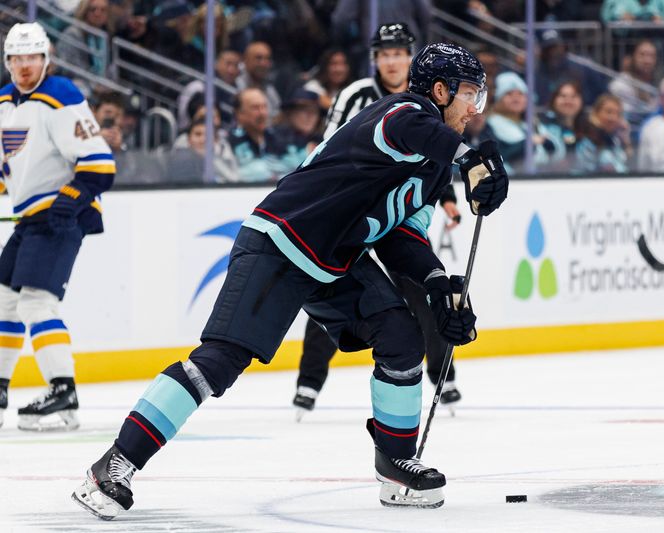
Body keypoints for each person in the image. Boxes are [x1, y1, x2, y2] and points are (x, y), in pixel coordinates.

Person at [72, 42, 507, 517]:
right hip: (279, 243)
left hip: (334, 259)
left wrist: (438, 284)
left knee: (402, 336)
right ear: (441, 91)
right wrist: (470, 158)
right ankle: (113, 463)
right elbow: (409, 127)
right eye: (470, 95)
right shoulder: (403, 112)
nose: (475, 109)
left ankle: (394, 461)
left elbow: (401, 235)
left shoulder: (434, 163)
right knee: (219, 362)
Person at [293, 23, 465, 419]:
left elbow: (439, 155)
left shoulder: (430, 98)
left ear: (410, 57)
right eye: (385, 54)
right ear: (375, 59)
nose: (392, 61)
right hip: (353, 209)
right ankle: (309, 382)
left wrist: (450, 199)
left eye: (399, 53)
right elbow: (331, 146)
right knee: (330, 282)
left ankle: (444, 375)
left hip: (400, 210)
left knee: (421, 287)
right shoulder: (356, 94)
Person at [0, 23, 115, 430]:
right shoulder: (4, 101)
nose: (24, 66)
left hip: (59, 216)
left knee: (35, 302)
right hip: (31, 218)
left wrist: (70, 200)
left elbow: (100, 164)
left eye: (31, 57)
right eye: (16, 58)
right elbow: (10, 166)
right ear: (8, 61)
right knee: (5, 300)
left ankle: (62, 387)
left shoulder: (61, 95)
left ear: (45, 59)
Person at [575, 94, 632, 174]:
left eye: (618, 114)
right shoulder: (587, 141)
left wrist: (626, 140)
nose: (613, 118)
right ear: (595, 113)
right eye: (609, 112)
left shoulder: (615, 140)